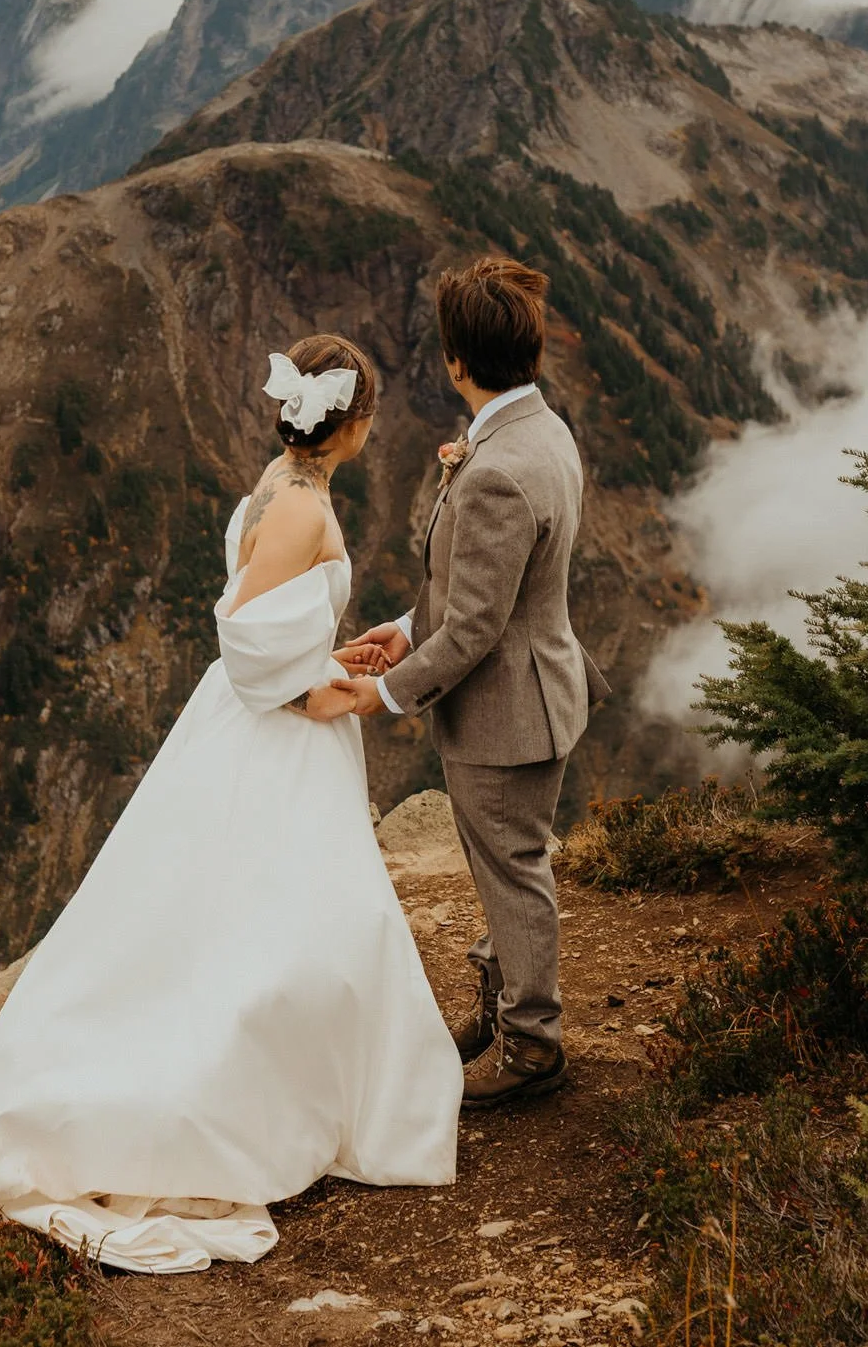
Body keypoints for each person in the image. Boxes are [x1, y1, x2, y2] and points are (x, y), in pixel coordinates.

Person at [0, 334, 460, 1274]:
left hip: (272, 722)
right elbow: (248, 638)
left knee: (265, 919)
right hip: (274, 735)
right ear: (356, 424)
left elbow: (269, 625)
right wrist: (325, 691)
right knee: (281, 923)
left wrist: (332, 659)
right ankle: (239, 1105)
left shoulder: (282, 482)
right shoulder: (299, 509)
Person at [333, 256, 610, 1107]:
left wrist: (383, 692)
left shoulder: (491, 465)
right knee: (506, 863)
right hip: (541, 688)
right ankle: (502, 1007)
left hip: (506, 716)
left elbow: (482, 625)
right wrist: (410, 625)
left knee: (514, 868)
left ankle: (532, 1045)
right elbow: (494, 588)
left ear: (458, 360)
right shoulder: (542, 431)